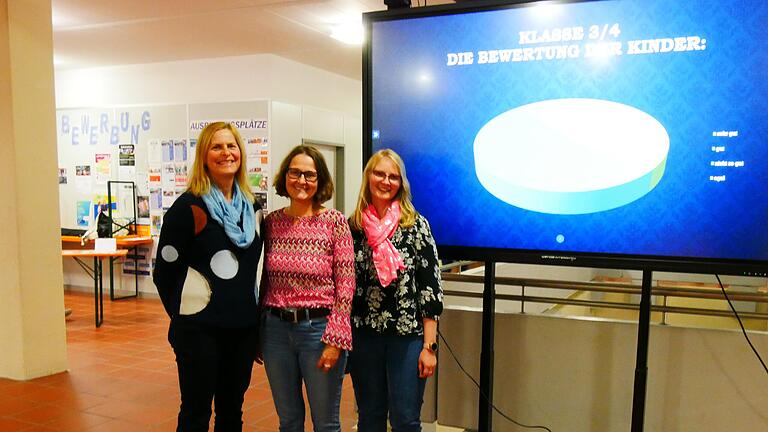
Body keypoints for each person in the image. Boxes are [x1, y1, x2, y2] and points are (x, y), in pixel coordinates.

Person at [153, 122, 263, 432]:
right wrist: (185, 315)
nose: (226, 153)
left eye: (232, 146)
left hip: (242, 330)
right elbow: (165, 272)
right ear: (204, 155)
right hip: (199, 331)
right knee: (196, 412)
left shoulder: (252, 208)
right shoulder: (187, 208)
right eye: (217, 147)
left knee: (232, 410)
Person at [347, 149, 444, 432]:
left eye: (393, 176)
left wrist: (430, 347)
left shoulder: (415, 226)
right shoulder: (353, 227)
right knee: (369, 418)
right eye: (380, 173)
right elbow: (345, 284)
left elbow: (430, 290)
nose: (386, 181)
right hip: (365, 338)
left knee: (405, 419)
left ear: (401, 183)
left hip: (408, 339)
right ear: (368, 177)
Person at [261, 145, 355, 432]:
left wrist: (336, 339)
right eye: (295, 172)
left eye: (309, 175)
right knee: (288, 421)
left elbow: (346, 284)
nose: (301, 180)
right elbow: (262, 280)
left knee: (325, 424)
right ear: (285, 176)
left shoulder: (334, 222)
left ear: (320, 180)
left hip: (319, 331)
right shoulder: (271, 223)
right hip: (275, 332)